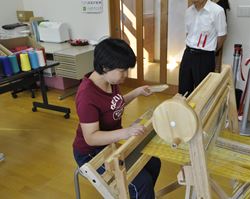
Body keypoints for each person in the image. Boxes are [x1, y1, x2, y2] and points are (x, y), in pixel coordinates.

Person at [73, 38, 161, 198]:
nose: (126, 75)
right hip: (91, 153)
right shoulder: (87, 96)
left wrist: (137, 92)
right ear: (105, 67)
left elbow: (114, 105)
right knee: (142, 183)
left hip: (110, 145)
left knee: (154, 163)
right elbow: (91, 137)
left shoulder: (109, 80)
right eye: (123, 70)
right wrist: (126, 132)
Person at [179, 0, 227, 96]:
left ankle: (200, 111)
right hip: (188, 54)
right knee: (183, 89)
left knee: (203, 92)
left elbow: (222, 36)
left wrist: (211, 50)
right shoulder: (188, 11)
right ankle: (185, 110)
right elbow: (188, 33)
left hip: (205, 56)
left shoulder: (217, 11)